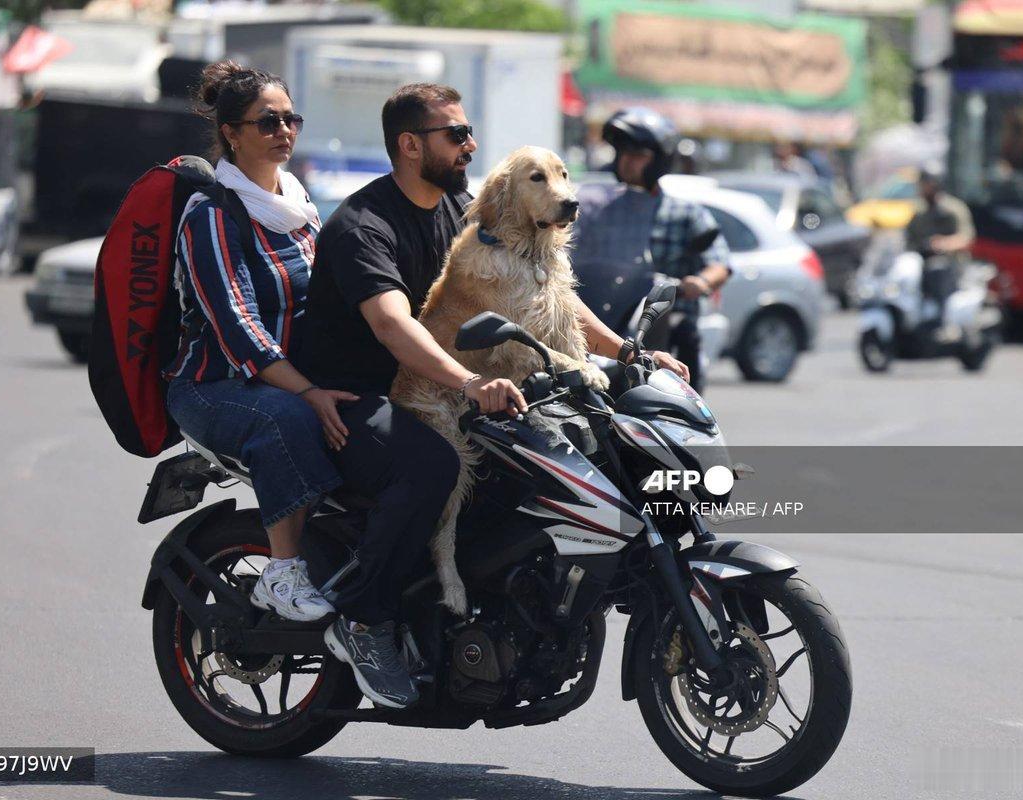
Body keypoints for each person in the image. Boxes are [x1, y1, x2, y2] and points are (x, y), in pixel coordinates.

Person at [299, 85, 690, 710]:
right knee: (434, 466)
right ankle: (364, 619)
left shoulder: (464, 209)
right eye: (454, 135)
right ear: (409, 145)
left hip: (454, 379)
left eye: (468, 132)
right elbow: (396, 328)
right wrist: (469, 383)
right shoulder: (361, 226)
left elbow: (549, 292)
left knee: (542, 459)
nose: (469, 145)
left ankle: (495, 598)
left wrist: (627, 355)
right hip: (358, 394)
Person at [164, 61, 356, 624]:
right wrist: (312, 393)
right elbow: (238, 328)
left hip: (293, 376)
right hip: (214, 385)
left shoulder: (298, 205)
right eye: (267, 122)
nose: (283, 131)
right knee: (288, 419)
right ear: (231, 133)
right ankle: (283, 573)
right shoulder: (215, 216)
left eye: (289, 118)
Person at [573, 107, 730, 394]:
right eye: (623, 154)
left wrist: (700, 282)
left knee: (685, 331)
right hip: (612, 320)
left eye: (638, 155)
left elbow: (720, 262)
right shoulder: (600, 209)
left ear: (659, 160)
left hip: (662, 324)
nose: (627, 162)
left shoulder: (684, 213)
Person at [904, 165, 975, 322]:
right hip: (921, 263)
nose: (923, 187)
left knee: (938, 269)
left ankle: (944, 321)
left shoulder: (953, 209)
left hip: (951, 264)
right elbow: (908, 241)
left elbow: (966, 239)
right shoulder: (919, 212)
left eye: (926, 183)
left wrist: (942, 244)